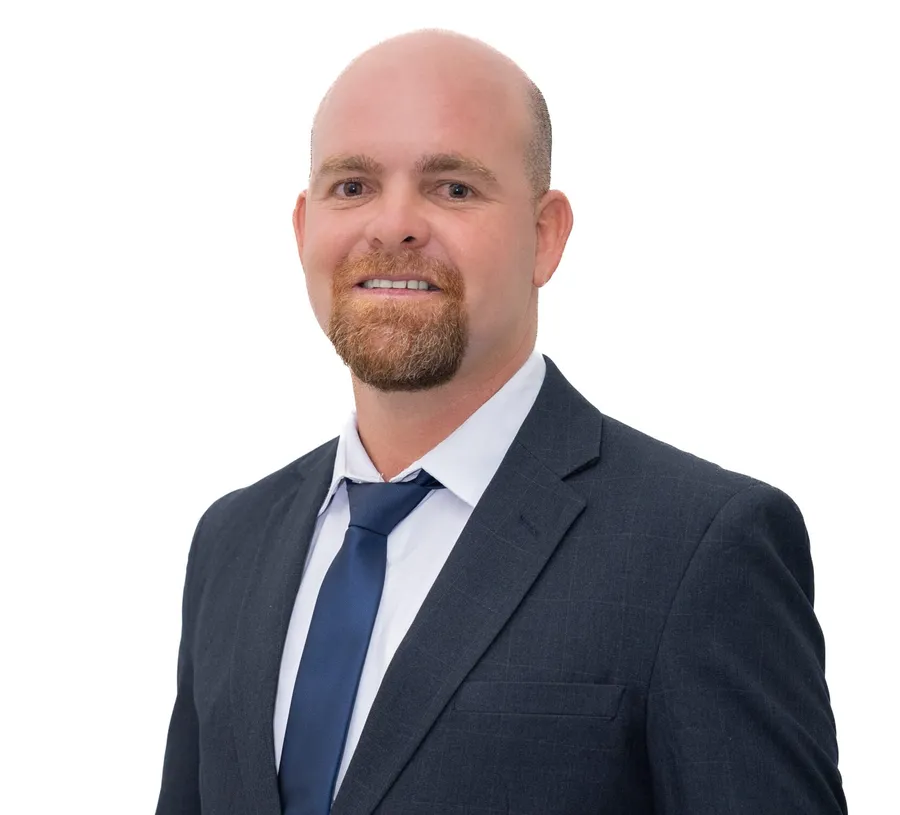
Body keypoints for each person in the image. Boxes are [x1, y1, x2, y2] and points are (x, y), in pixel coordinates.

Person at [155, 28, 847, 815]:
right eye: (352, 185)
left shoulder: (700, 547)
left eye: (453, 188)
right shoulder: (232, 540)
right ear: (303, 227)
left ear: (544, 236)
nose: (394, 224)